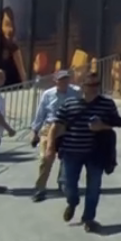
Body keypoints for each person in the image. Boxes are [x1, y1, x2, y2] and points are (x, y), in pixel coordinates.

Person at [49, 72, 121, 232]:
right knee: (68, 185)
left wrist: (102, 126)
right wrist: (50, 147)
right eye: (90, 85)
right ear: (82, 86)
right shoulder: (69, 103)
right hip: (71, 151)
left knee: (94, 187)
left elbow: (118, 122)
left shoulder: (107, 104)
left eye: (97, 84)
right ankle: (72, 202)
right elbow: (56, 125)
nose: (94, 88)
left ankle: (89, 218)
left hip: (96, 152)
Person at [30, 69, 80, 202]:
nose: (64, 82)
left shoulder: (76, 92)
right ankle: (40, 188)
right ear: (55, 81)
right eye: (61, 79)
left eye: (66, 79)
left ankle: (63, 182)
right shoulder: (48, 94)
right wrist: (35, 132)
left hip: (69, 128)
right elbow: (40, 113)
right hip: (50, 127)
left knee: (67, 159)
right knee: (46, 159)